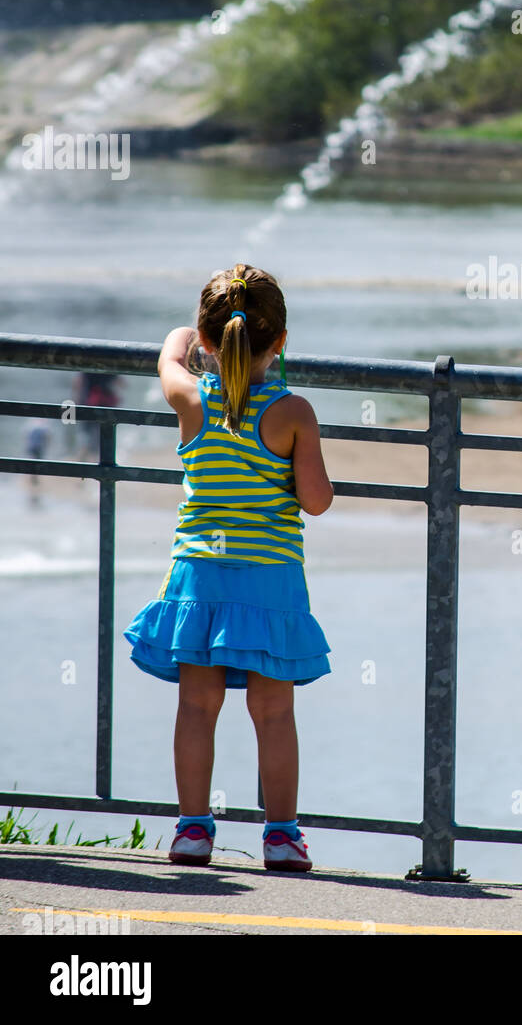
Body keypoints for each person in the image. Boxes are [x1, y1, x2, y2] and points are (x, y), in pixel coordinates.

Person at [123, 263, 334, 873]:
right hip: (270, 580)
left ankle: (193, 831)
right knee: (274, 714)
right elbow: (316, 501)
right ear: (282, 342)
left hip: (200, 575)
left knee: (196, 709)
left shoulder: (191, 396)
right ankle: (282, 836)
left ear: (210, 340)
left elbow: (171, 360)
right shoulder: (294, 412)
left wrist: (184, 339)